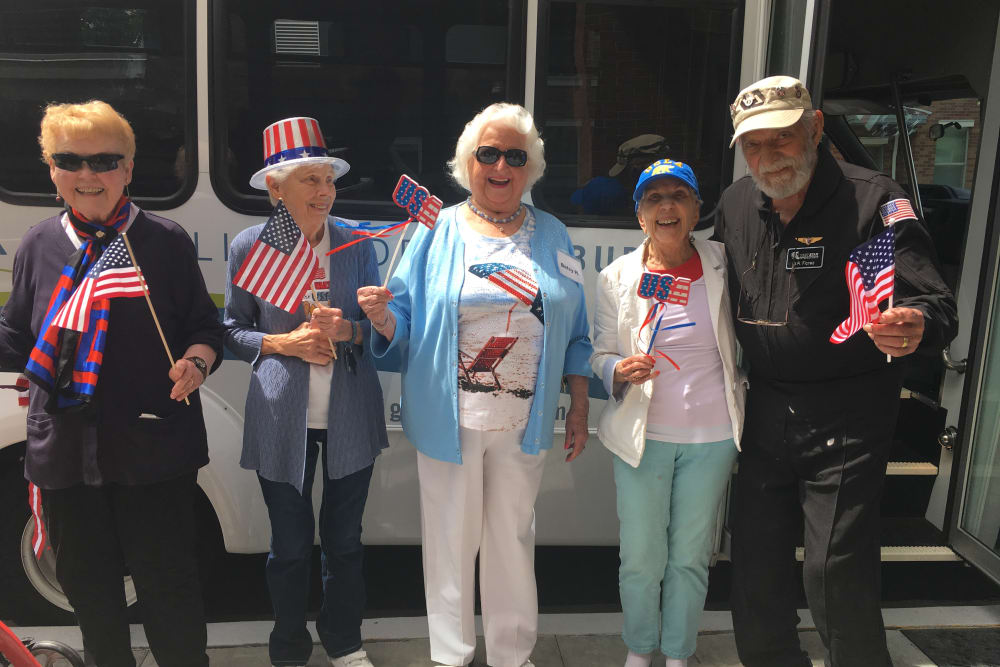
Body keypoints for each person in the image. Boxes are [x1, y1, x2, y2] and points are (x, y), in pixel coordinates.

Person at [714, 75, 959, 666]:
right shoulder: (735, 204)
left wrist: (915, 324)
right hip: (766, 409)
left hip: (849, 413)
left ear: (816, 128)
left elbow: (937, 305)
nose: (768, 159)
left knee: (834, 571)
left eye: (782, 140)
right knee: (754, 564)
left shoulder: (874, 200)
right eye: (754, 147)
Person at [357, 102, 592, 667]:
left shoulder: (553, 231)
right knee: (449, 546)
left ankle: (513, 656)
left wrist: (579, 408)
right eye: (489, 154)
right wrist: (384, 318)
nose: (502, 166)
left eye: (515, 155)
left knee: (513, 542)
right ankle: (452, 657)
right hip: (449, 420)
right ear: (469, 163)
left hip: (523, 422)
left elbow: (577, 332)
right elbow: (405, 320)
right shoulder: (437, 229)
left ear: (530, 166)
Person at [0, 100, 222, 666]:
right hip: (67, 454)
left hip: (152, 447)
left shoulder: (165, 241)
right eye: (70, 160)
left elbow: (204, 328)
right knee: (91, 595)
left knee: (168, 590)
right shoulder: (36, 245)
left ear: (127, 169)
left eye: (104, 160)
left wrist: (195, 363)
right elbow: (16, 337)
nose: (87, 174)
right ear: (51, 170)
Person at [224, 117, 388, 667]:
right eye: (309, 180)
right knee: (290, 548)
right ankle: (289, 647)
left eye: (328, 179)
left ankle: (344, 642)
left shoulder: (355, 242)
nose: (324, 192)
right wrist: (283, 343)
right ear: (276, 187)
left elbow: (375, 328)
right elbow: (230, 331)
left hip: (349, 415)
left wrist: (352, 330)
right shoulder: (251, 246)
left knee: (344, 543)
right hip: (281, 416)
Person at [591, 159, 744, 667]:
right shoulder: (617, 277)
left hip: (713, 436)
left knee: (690, 557)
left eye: (679, 196)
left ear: (697, 209)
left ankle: (678, 653)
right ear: (639, 216)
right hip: (642, 436)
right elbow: (598, 353)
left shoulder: (727, 263)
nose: (667, 207)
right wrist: (618, 366)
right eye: (654, 199)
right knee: (640, 558)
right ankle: (640, 649)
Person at [571, 134, 671, 215]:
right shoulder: (605, 187)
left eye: (630, 168)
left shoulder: (667, 195)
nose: (624, 175)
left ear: (644, 167)